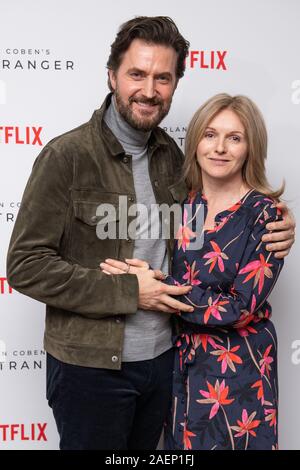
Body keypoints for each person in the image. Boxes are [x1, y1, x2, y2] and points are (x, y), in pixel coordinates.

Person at [6, 17, 294, 451]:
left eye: (163, 77)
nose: (149, 89)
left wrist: (276, 225)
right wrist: (127, 291)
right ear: (112, 75)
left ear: (175, 84)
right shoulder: (67, 156)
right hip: (91, 369)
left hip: (167, 364)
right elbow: (25, 267)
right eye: (137, 74)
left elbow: (213, 230)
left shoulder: (172, 159)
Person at [103, 94, 286, 450]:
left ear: (251, 147)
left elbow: (238, 307)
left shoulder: (266, 215)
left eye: (234, 137)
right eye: (210, 135)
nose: (220, 148)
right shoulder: (184, 204)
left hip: (239, 372)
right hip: (181, 367)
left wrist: (157, 290)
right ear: (196, 141)